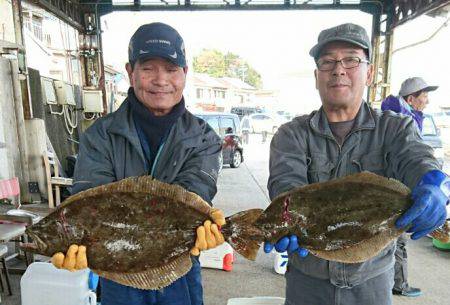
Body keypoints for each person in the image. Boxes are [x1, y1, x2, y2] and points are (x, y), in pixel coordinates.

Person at [264, 23, 448, 305]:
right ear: (316, 76)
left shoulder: (395, 128)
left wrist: (432, 183)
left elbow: (416, 157)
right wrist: (286, 220)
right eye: (327, 62)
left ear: (370, 73)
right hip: (306, 281)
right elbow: (285, 185)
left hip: (372, 282)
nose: (339, 69)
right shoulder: (291, 134)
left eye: (351, 59)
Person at [50, 22, 225, 305]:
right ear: (130, 72)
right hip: (119, 273)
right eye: (148, 68)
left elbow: (193, 197)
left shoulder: (204, 139)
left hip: (178, 272)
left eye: (171, 69)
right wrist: (78, 242)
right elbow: (88, 204)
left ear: (185, 74)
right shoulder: (99, 136)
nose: (160, 80)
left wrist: (207, 227)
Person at [381, 77, 439, 297]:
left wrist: (430, 178)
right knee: (398, 239)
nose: (427, 101)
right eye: (424, 96)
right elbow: (412, 153)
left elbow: (417, 156)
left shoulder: (406, 115)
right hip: (398, 194)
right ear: (411, 99)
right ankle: (399, 284)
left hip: (398, 190)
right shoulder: (402, 119)